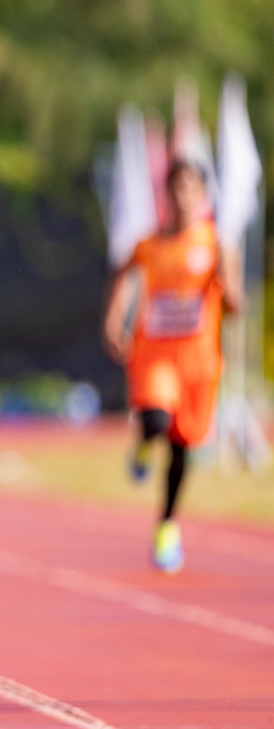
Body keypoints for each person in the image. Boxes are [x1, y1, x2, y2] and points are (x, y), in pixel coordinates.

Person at [104, 156, 244, 573]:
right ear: (166, 195)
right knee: (155, 422)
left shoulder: (218, 244)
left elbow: (236, 306)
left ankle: (166, 524)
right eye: (176, 189)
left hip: (198, 364)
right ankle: (145, 443)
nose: (183, 197)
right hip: (155, 356)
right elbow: (122, 275)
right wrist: (114, 318)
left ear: (203, 196)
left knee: (183, 447)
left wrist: (226, 279)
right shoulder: (149, 245)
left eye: (191, 189)